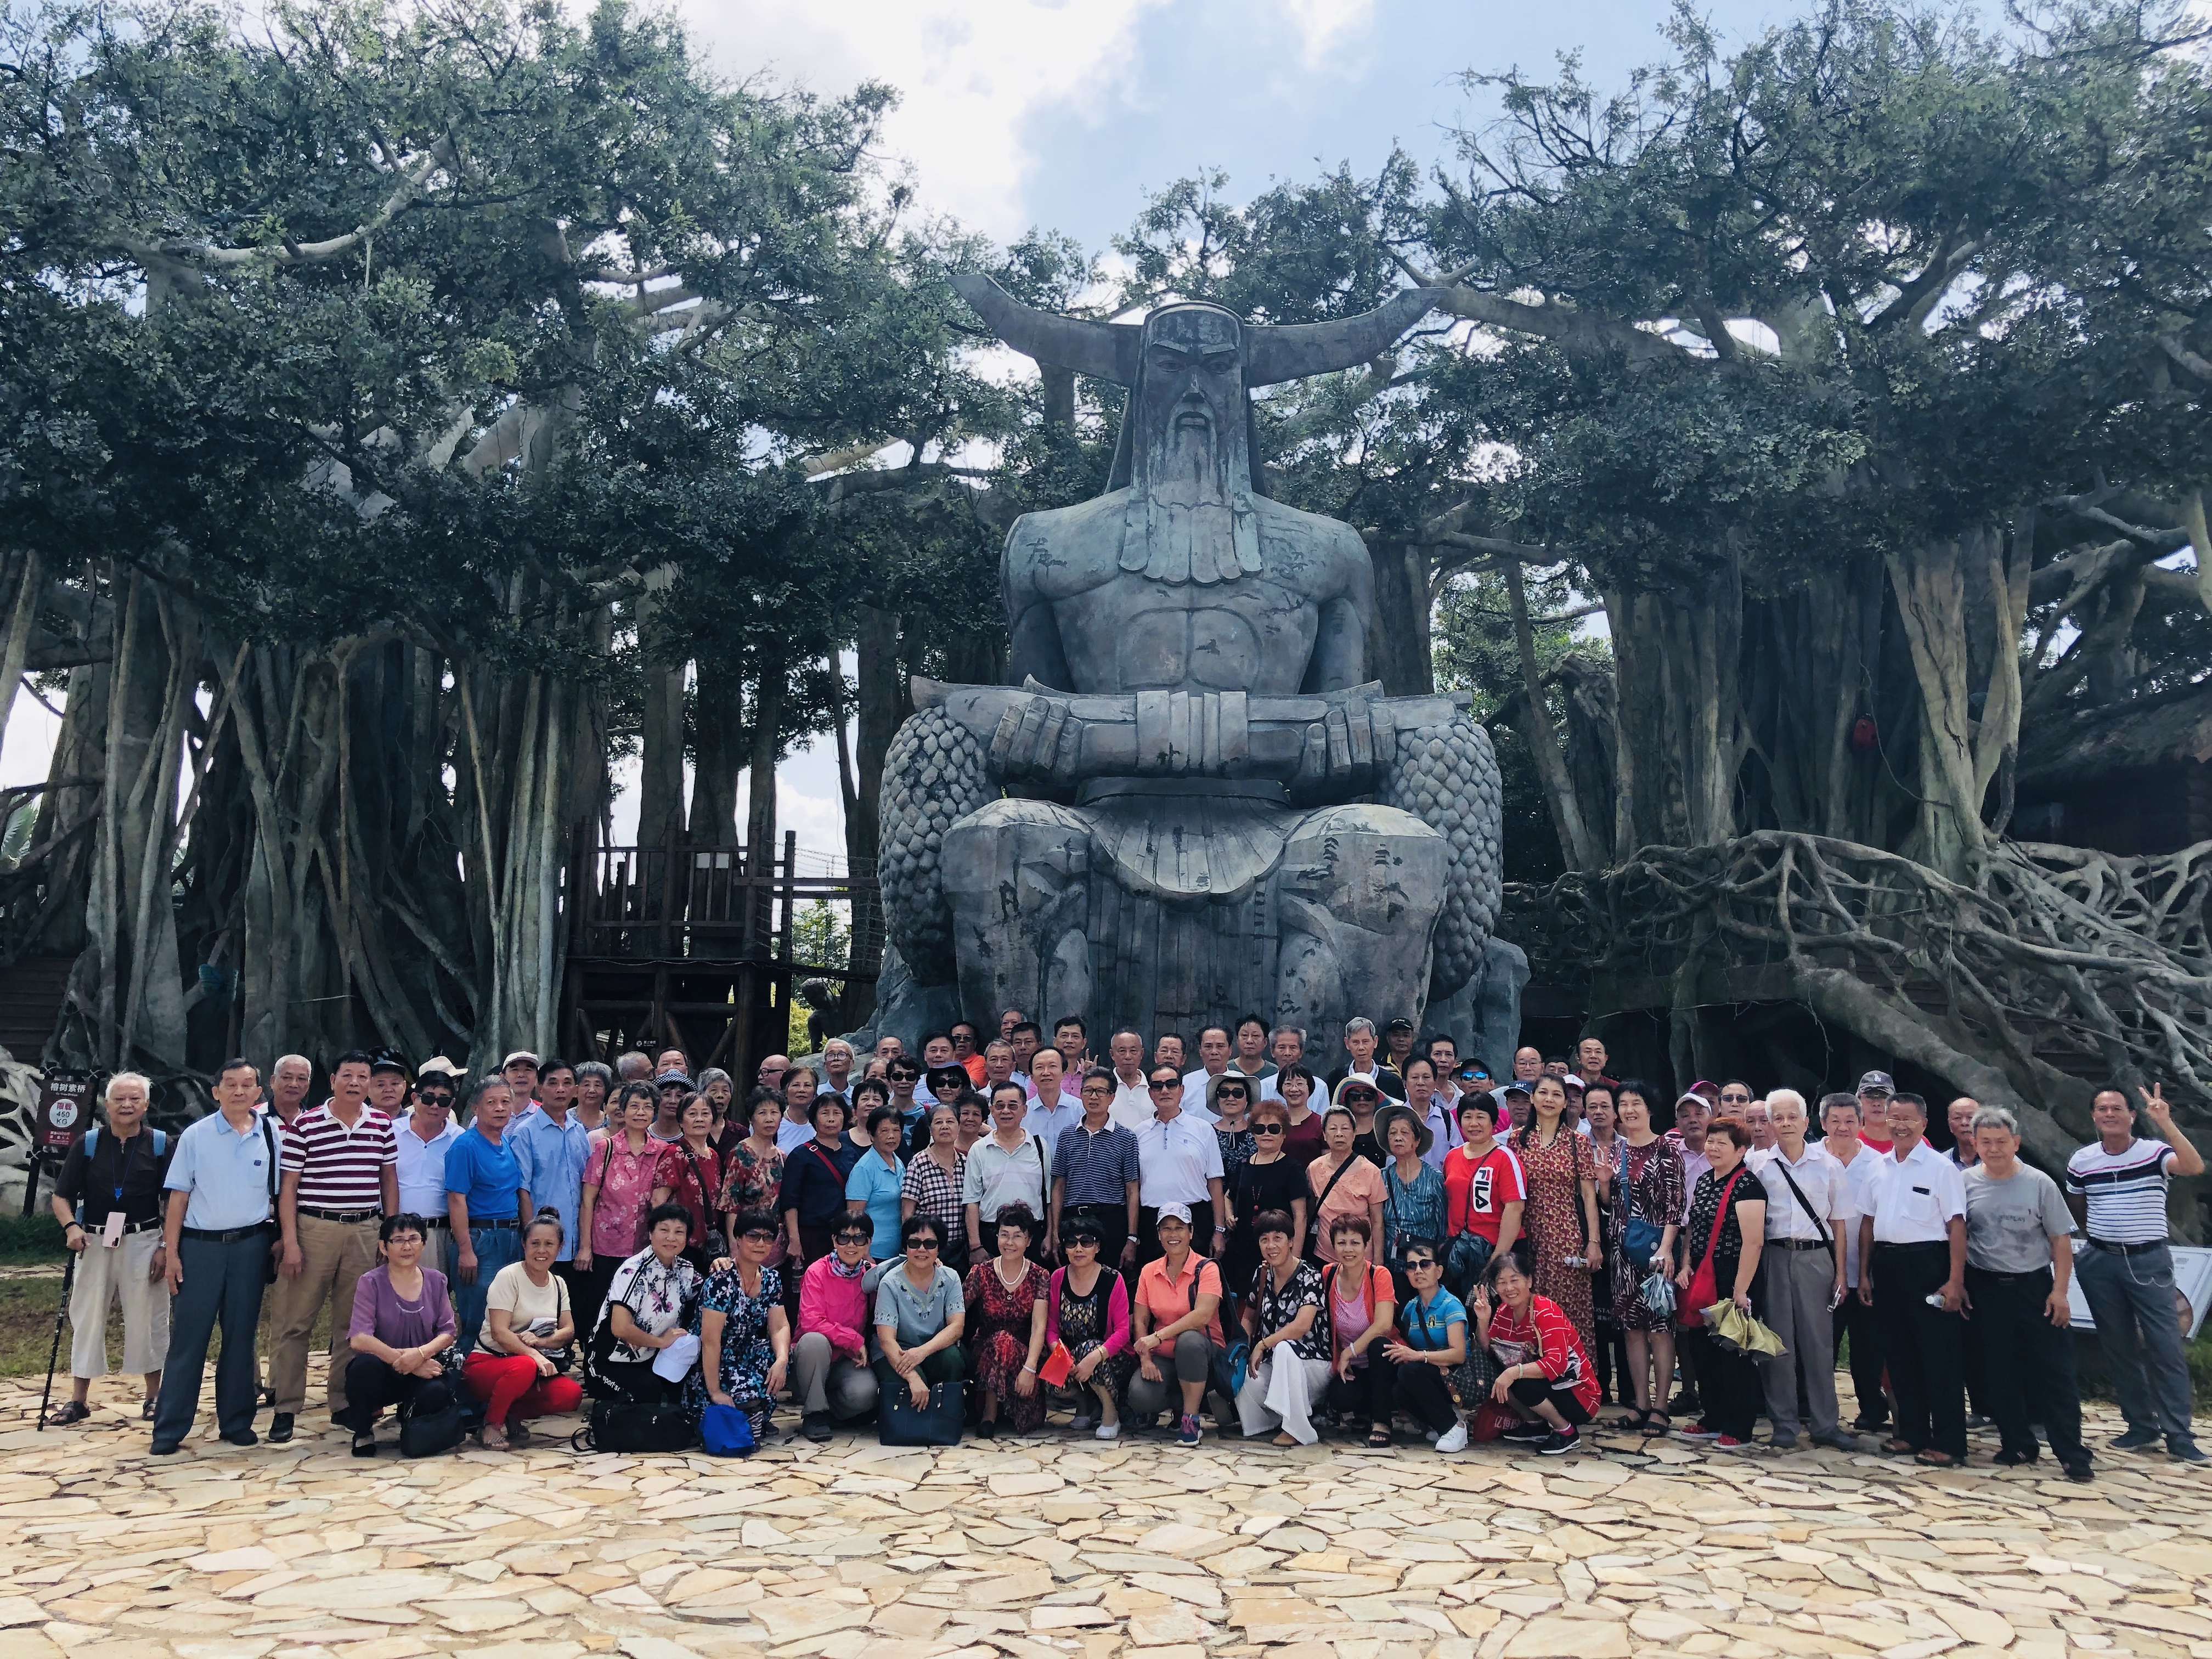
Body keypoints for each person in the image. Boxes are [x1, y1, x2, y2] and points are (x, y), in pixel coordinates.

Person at [2066, 1082, 2205, 1462]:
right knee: (2118, 1346)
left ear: (2131, 1115)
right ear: (2093, 1116)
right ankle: (2141, 1425)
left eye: (2117, 1108)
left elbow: (2194, 1166)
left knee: (2165, 1347)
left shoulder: (2154, 1152)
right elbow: (2078, 1205)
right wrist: (2098, 1240)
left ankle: (2179, 1435)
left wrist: (2166, 1124)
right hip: (2100, 1260)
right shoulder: (2082, 1160)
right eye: (2102, 1108)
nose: (2109, 1114)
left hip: (2148, 1260)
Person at [270, 1048, 398, 1443]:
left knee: (351, 1324)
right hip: (315, 1228)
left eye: (363, 1077)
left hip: (364, 1229)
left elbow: (388, 1179)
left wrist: (389, 1233)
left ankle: (342, 1402)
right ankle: (286, 1407)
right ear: (333, 1080)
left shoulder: (381, 1123)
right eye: (348, 1075)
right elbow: (289, 1188)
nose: (355, 1083)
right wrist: (290, 1242)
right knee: (297, 1322)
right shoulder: (306, 1124)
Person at [1963, 1106, 2092, 1481]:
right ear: (1975, 1144)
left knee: (2055, 1372)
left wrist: (2060, 1292)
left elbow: (2061, 1241)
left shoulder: (2040, 1183)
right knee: (1999, 1370)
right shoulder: (1964, 1183)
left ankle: (2071, 1452)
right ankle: (2017, 1442)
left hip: (2034, 1287)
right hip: (1986, 1287)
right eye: (1986, 1142)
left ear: (2016, 1142)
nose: (1994, 1149)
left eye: (2001, 1141)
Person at [48, 1072, 173, 1426]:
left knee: (149, 1317)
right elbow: (61, 1196)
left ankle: (154, 1397)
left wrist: (166, 1245)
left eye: (134, 1099)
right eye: (119, 1099)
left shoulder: (161, 1144)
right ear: (107, 1105)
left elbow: (174, 1200)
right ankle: (78, 1401)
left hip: (145, 1240)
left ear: (145, 1105)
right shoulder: (88, 1143)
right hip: (94, 1241)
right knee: (87, 1315)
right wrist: (71, 1227)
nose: (127, 1105)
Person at [1857, 1093, 1970, 1466]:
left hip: (1929, 1265)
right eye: (1894, 1118)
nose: (1900, 1126)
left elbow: (1957, 1226)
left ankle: (1949, 1442)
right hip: (1887, 1265)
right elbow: (1868, 1222)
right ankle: (1911, 1432)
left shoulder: (1941, 1168)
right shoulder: (1878, 1166)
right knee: (1899, 1353)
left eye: (1908, 1119)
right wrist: (1864, 1274)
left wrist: (1955, 1281)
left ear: (1923, 1123)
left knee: (1938, 1357)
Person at [1746, 1088, 1855, 1450]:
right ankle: (1784, 1423)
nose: (1786, 1123)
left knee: (1819, 1343)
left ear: (1807, 1122)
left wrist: (1841, 1274)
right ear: (1770, 1123)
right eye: (1778, 1118)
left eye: (1793, 1116)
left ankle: (1826, 1423)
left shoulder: (1829, 1165)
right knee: (1777, 1343)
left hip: (1815, 1258)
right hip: (1774, 1256)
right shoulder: (1757, 1165)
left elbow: (1839, 1223)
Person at [1671, 1116, 1767, 1451]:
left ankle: (1739, 1426)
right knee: (1703, 1348)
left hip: (1733, 1274)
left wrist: (1741, 1289)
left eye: (1721, 1143)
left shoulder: (1748, 1185)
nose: (1713, 1148)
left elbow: (1753, 1242)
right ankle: (1713, 1416)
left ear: (1741, 1150)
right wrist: (1686, 1265)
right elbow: (1693, 1229)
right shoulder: (1704, 1181)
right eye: (1711, 1141)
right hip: (1703, 1273)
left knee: (1734, 1352)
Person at [337, 1212, 458, 1457]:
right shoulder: (370, 1282)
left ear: (423, 1244)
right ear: (384, 1247)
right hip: (384, 1369)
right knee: (362, 1368)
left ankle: (411, 1420)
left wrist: (420, 1355)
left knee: (437, 1391)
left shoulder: (437, 1280)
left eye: (414, 1239)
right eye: (398, 1240)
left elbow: (448, 1331)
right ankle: (363, 1433)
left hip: (424, 1365)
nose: (407, 1246)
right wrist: (408, 1362)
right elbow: (359, 1338)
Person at [464, 1211, 583, 1449]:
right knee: (525, 1366)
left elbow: (569, 1330)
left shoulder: (558, 1283)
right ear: (524, 1244)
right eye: (535, 1243)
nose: (542, 1251)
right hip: (489, 1362)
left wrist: (541, 1342)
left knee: (571, 1394)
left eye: (549, 1244)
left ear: (560, 1247)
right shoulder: (509, 1277)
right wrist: (534, 1355)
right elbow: (499, 1332)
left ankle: (510, 1413)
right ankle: (491, 1425)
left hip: (530, 1367)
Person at [1605, 1082, 1683, 1434]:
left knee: (1660, 1329)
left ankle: (1661, 1406)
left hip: (1656, 1253)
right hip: (1622, 1253)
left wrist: (1666, 1249)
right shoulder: (1616, 1151)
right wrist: (1604, 1183)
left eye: (1636, 1102)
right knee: (1631, 1328)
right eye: (1623, 1104)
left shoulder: (1667, 1149)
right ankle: (1641, 1403)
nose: (1629, 1110)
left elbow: (1675, 1206)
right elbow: (1612, 1204)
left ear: (1650, 1108)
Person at [1471, 1248, 1597, 1454]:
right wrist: (1483, 1321)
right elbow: (1489, 1352)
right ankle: (1535, 1425)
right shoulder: (1503, 1312)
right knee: (1495, 1371)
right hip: (1548, 1386)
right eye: (1502, 1282)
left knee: (1520, 1381)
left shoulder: (1545, 1310)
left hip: (1578, 1394)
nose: (1509, 1288)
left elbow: (1557, 1363)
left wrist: (1514, 1372)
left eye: (1514, 1280)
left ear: (1529, 1281)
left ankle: (1566, 1432)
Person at [1512, 1075, 1602, 1357]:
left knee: (1569, 1310)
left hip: (1566, 1235)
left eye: (1556, 1094)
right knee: (1530, 1306)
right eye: (1543, 1093)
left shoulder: (1578, 1141)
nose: (1549, 1099)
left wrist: (1594, 1242)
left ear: (1565, 1103)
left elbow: (1589, 1196)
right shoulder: (1517, 1139)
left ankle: (1575, 1374)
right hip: (1527, 1235)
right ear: (1532, 1098)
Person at [575, 1082, 675, 1336]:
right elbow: (588, 1201)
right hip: (606, 1246)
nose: (641, 1112)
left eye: (647, 1107)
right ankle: (594, 1356)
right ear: (623, 1110)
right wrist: (585, 1247)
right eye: (634, 1106)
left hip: (645, 1247)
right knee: (601, 1308)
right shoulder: (606, 1148)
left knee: (639, 1310)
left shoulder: (663, 1152)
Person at [585, 1203, 702, 1404]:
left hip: (654, 1360)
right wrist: (661, 1342)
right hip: (610, 1361)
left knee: (686, 1390)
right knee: (648, 1392)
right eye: (664, 1230)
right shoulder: (633, 1271)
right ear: (650, 1233)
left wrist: (722, 1265)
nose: (671, 1238)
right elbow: (620, 1328)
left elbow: (709, 1292)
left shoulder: (686, 1270)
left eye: (679, 1232)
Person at [1127, 1204, 1224, 1446]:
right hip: (1165, 1355)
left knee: (1189, 1341)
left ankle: (1190, 1420)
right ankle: (1181, 1403)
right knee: (1140, 1396)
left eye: (1180, 1228)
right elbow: (1140, 1319)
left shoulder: (1207, 1268)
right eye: (1167, 1229)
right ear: (1159, 1234)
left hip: (1204, 1353)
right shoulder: (1149, 1271)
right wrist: (1146, 1359)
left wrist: (1158, 1336)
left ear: (1191, 1232)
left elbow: (1202, 1316)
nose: (1173, 1234)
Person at [444, 1076, 528, 1356]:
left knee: (506, 1314)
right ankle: (465, 1373)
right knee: (477, 1316)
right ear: (476, 1108)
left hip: (511, 1237)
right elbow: (456, 1199)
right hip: (480, 1239)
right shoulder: (465, 1147)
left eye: (505, 1102)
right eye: (491, 1102)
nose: (500, 1108)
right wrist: (466, 1249)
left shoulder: (506, 1143)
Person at [1821, 1092, 1889, 1432]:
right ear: (1823, 1123)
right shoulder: (1811, 1157)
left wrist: (1864, 1273)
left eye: (1850, 1121)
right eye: (1835, 1120)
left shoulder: (1879, 1164)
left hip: (1866, 1271)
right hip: (1822, 1270)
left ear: (1861, 1123)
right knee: (1823, 1344)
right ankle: (1818, 1407)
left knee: (1868, 1346)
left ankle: (1872, 1407)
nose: (1843, 1127)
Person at [1235, 1209, 1331, 1445]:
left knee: (1285, 1348)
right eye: (1264, 1240)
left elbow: (1301, 1326)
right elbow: (1249, 1317)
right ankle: (1265, 1422)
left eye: (1278, 1238)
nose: (1271, 1246)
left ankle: (1297, 1428)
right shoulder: (1262, 1274)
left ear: (1290, 1241)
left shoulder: (1310, 1276)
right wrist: (1244, 1349)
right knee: (1246, 1378)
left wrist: (1263, 1344)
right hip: (1275, 1362)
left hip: (1313, 1364)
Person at [695, 1208, 790, 1442]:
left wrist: (781, 1360)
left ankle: (753, 1417)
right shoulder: (722, 1280)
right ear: (738, 1238)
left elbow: (779, 1326)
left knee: (776, 1358)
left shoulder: (771, 1279)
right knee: (748, 1391)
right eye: (753, 1236)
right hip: (713, 1360)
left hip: (746, 1353)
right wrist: (715, 1391)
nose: (761, 1243)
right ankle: (739, 1414)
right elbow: (710, 1340)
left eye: (768, 1237)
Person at [510, 1058, 591, 1299]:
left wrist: (586, 1243)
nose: (560, 1089)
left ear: (575, 1090)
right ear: (540, 1089)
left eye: (567, 1083)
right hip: (542, 1244)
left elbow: (586, 1189)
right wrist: (531, 1239)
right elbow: (522, 1190)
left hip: (575, 1242)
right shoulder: (525, 1133)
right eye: (553, 1083)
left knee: (572, 1309)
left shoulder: (579, 1131)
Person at [967, 1204, 1051, 1436]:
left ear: (1029, 1241)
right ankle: (989, 1414)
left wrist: (1030, 1368)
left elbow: (1039, 1326)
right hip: (985, 1351)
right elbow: (957, 1310)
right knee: (1001, 1340)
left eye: (1017, 1236)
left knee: (1006, 1342)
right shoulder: (981, 1273)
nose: (1009, 1242)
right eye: (1004, 1235)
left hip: (1025, 1355)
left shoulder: (1040, 1276)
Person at [872, 1215, 968, 1418]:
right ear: (905, 1246)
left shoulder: (951, 1278)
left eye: (930, 1244)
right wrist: (912, 1377)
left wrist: (922, 1352)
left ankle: (947, 1418)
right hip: (897, 1353)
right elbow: (886, 1341)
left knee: (952, 1359)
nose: (922, 1249)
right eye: (915, 1243)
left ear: (939, 1247)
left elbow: (956, 1327)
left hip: (933, 1350)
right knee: (913, 1387)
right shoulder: (889, 1283)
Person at [793, 1216, 879, 1441]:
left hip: (847, 1360)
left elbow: (905, 1279)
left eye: (859, 1238)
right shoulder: (816, 1272)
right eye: (844, 1238)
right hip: (811, 1359)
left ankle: (830, 1413)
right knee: (814, 1341)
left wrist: (933, 1265)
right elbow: (811, 1322)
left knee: (865, 1393)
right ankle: (814, 1414)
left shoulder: (872, 1275)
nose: (851, 1245)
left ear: (868, 1243)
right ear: (834, 1241)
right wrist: (854, 1340)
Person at [1048, 1218, 1135, 1437]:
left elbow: (1123, 1331)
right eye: (1071, 1243)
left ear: (1097, 1247)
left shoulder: (1112, 1279)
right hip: (1072, 1355)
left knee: (1089, 1350)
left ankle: (1110, 1413)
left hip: (1110, 1357)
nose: (1079, 1249)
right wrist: (1061, 1355)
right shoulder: (1058, 1278)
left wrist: (1094, 1357)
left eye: (1086, 1242)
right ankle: (1085, 1404)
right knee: (1050, 1379)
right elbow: (1051, 1328)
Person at [1052, 1070, 1142, 1278]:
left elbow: (1132, 1190)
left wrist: (1132, 1237)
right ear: (1081, 1094)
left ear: (1112, 1097)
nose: (1094, 1097)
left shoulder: (1127, 1138)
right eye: (1088, 1091)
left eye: (1101, 1091)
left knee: (1109, 1281)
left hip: (1111, 1220)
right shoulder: (1067, 1135)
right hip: (1073, 1219)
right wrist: (1055, 1231)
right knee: (1075, 1280)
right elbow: (1058, 1186)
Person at [1222, 1099, 1306, 1318]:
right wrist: (1229, 1215)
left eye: (1274, 1128)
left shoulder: (1293, 1168)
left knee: (1277, 1307)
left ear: (1284, 1133)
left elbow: (1301, 1215)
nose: (1266, 1134)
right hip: (1244, 1250)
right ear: (1253, 1133)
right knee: (1244, 1307)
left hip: (1278, 1250)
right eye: (1260, 1129)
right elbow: (1228, 1196)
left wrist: (1295, 1257)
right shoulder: (1244, 1164)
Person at [1384, 1240, 1470, 1452]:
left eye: (1425, 1264)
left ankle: (1454, 1428)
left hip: (1456, 1376)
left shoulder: (1451, 1304)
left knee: (1411, 1371)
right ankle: (1440, 1423)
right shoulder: (1411, 1308)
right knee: (1398, 1391)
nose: (1418, 1271)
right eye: (1411, 1266)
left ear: (1439, 1271)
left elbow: (1459, 1354)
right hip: (1431, 1375)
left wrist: (1417, 1356)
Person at [1321, 1216, 1397, 1447]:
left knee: (1379, 1344)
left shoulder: (1379, 1275)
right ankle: (1363, 1412)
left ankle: (1382, 1421)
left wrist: (1349, 1351)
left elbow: (1384, 1325)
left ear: (1366, 1245)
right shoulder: (1328, 1274)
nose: (1348, 1249)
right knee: (1340, 1397)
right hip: (1353, 1367)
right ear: (1333, 1246)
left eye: (1355, 1243)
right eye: (1341, 1243)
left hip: (1383, 1363)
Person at [1442, 1094, 1524, 1299]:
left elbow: (1515, 1209)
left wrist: (1497, 1261)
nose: (1474, 1124)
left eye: (1480, 1117)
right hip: (1459, 1253)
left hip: (1495, 1251)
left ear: (1493, 1121)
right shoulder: (1452, 1156)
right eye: (1467, 1117)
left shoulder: (1505, 1158)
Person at [965, 1081, 1054, 1262]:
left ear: (1024, 1110)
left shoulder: (1039, 1146)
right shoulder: (979, 1149)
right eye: (1000, 1106)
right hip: (992, 1235)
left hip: (1032, 1236)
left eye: (1013, 1106)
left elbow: (1048, 1198)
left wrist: (1049, 1236)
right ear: (991, 1110)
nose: (1006, 1111)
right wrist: (976, 1245)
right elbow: (972, 1201)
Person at [782, 1095, 860, 1272]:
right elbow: (790, 1201)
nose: (831, 1119)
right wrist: (795, 1240)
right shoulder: (801, 1155)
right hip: (811, 1235)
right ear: (815, 1119)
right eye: (825, 1113)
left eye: (837, 1113)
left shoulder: (851, 1154)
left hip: (843, 1236)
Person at [1376, 1103, 1446, 1294]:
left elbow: (1443, 1228)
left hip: (1425, 1268)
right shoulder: (1381, 1177)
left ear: (1417, 1140)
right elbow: (1377, 1223)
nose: (1398, 1138)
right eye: (1392, 1133)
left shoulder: (1434, 1178)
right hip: (1393, 1268)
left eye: (1405, 1133)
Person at [1306, 1105, 1386, 1265]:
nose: (1339, 1134)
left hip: (1361, 1259)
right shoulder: (1314, 1169)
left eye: (1345, 1128)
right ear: (1325, 1135)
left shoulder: (1371, 1172)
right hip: (1324, 1257)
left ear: (1355, 1133)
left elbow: (1378, 1221)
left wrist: (1378, 1262)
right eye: (1333, 1129)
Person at [394, 1071, 460, 1266]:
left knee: (434, 1286)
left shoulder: (459, 1139)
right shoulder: (391, 1132)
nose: (435, 1106)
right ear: (415, 1098)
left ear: (452, 1104)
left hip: (438, 1233)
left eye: (443, 1100)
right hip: (394, 1231)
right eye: (429, 1098)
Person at [718, 1090, 789, 1268]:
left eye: (774, 1112)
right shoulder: (740, 1153)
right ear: (751, 1119)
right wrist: (734, 1248)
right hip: (747, 1242)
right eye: (762, 1113)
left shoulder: (782, 1157)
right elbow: (731, 1205)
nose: (769, 1119)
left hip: (776, 1245)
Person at [902, 1101, 971, 1272]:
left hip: (960, 1250)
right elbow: (907, 1214)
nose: (945, 1127)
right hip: (927, 1249)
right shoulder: (918, 1163)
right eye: (939, 1122)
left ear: (958, 1127)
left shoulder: (966, 1162)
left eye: (950, 1122)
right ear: (930, 1129)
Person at [662, 1094, 725, 1269]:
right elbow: (658, 1202)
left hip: (708, 1245)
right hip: (679, 1244)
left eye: (705, 1113)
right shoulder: (675, 1154)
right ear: (681, 1121)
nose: (699, 1119)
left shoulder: (714, 1156)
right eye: (692, 1114)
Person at [846, 1106, 907, 1259]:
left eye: (896, 1130)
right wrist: (866, 1256)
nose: (891, 1136)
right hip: (874, 1253)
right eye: (884, 1131)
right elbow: (854, 1218)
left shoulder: (898, 1162)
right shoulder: (864, 1168)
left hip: (898, 1251)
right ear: (872, 1135)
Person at [1325, 1016, 1405, 1102]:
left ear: (1375, 1042)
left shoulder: (1393, 1082)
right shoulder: (1335, 1079)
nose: (1361, 1047)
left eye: (1366, 1042)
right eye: (1355, 1042)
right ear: (1347, 1043)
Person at [1402, 1056, 1459, 1173]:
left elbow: (1458, 1158)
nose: (1421, 1083)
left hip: (1440, 1184)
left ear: (1435, 1082)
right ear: (1405, 1083)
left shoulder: (1446, 1119)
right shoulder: (1396, 1118)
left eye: (1426, 1077)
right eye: (1415, 1077)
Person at [1276, 1064, 1327, 1176]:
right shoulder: (1274, 1123)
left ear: (1310, 1087)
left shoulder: (1321, 1124)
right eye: (1288, 1084)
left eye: (1300, 1084)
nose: (1294, 1089)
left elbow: (1328, 1163)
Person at [1023, 1046, 1082, 1143]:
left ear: (1064, 1074)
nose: (1046, 1073)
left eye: (1052, 1066)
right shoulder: (1023, 1114)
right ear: (1032, 1077)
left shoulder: (1080, 1110)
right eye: (1039, 1067)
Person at [1179, 1025, 1233, 1122]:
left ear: (1230, 1050)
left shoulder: (1241, 1082)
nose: (1214, 1052)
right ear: (1200, 1051)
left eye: (1220, 1046)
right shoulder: (1185, 1084)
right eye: (1208, 1047)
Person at [1106, 1029, 1155, 1129]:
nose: (1128, 1056)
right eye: (1122, 1051)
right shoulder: (1103, 1088)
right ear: (1112, 1054)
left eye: (1133, 1051)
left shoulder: (1155, 1087)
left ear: (1142, 1054)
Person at [1334, 1077, 1387, 1164]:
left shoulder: (1386, 1127)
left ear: (1376, 1099)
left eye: (1368, 1095)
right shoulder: (1338, 1130)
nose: (1362, 1099)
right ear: (1348, 1100)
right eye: (1355, 1095)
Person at [777, 1064, 823, 1153]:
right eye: (796, 1085)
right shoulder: (776, 1122)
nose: (802, 1090)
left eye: (807, 1085)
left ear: (815, 1093)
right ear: (785, 1092)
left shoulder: (821, 1123)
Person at [266, 1053, 314, 1129]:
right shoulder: (254, 1117)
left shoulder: (315, 1123)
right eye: (287, 1077)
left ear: (308, 1085)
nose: (294, 1085)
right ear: (273, 1081)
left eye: (301, 1079)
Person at [1855, 1070, 1897, 1153]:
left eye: (1883, 1096)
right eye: (1870, 1097)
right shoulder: (1849, 1141)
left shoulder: (1914, 1141)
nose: (1877, 1103)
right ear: (1859, 1102)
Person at [573, 1060, 613, 1137]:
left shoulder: (611, 1122)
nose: (592, 1090)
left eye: (598, 1085)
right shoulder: (565, 1119)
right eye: (586, 1085)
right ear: (576, 1089)